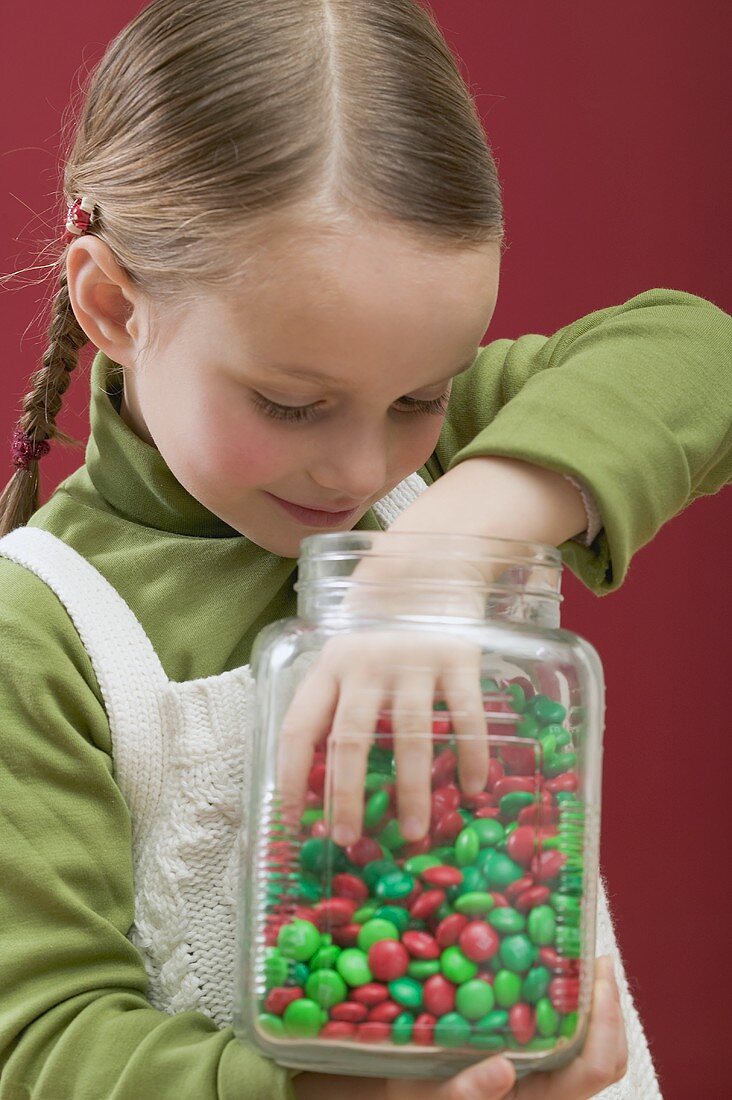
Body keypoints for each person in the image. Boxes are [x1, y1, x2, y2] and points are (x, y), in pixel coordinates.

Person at [0, 1, 729, 1097]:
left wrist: (451, 535)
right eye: (292, 404)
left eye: (421, 395)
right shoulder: (42, 634)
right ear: (112, 303)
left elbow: (702, 353)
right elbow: (45, 1044)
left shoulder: (436, 478)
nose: (357, 467)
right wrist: (339, 1086)